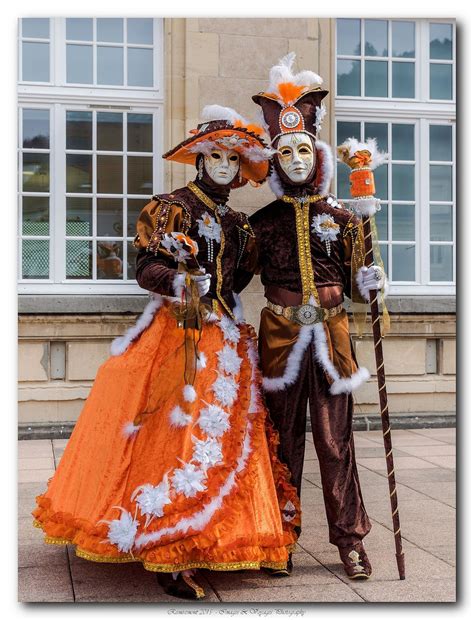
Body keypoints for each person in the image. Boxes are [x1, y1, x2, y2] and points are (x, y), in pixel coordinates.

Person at [32, 105, 300, 600]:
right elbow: (146, 268)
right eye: (214, 156)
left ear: (240, 169)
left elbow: (239, 277)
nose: (223, 165)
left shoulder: (238, 222)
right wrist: (181, 280)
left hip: (223, 330)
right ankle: (169, 545)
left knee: (228, 431)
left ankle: (234, 535)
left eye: (232, 159)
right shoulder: (173, 206)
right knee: (173, 431)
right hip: (177, 332)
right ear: (199, 160)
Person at [242, 53, 387, 579]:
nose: (297, 159)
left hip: (331, 335)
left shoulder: (345, 217)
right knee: (281, 439)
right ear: (275, 161)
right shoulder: (258, 223)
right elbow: (233, 281)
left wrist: (371, 282)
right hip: (280, 337)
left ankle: (350, 540)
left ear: (318, 154)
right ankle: (278, 537)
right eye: (286, 152)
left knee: (333, 441)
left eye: (304, 149)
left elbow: (356, 281)